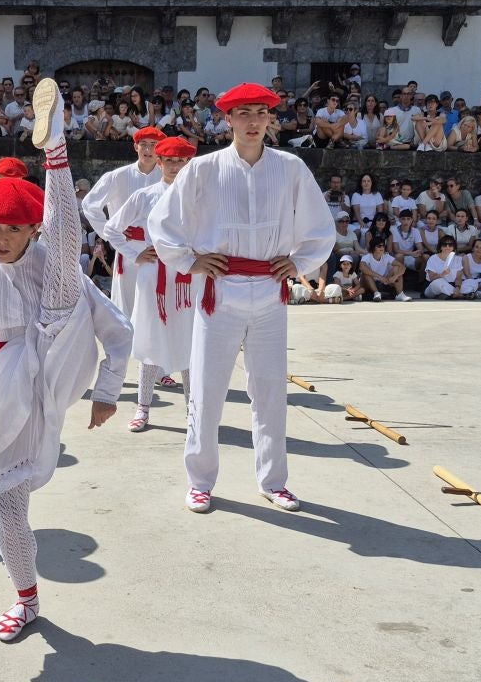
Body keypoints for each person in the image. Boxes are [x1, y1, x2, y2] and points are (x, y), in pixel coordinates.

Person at [0, 78, 132, 641]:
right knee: (9, 502)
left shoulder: (57, 261)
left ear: (32, 225)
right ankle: (26, 598)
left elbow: (119, 329)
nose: (2, 237)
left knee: (63, 272)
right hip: (9, 379)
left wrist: (107, 390)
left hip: (61, 349)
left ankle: (55, 149)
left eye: (14, 227)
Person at [147, 82, 334, 515]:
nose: (253, 121)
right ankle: (200, 480)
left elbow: (319, 226)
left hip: (270, 292)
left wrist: (300, 260)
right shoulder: (203, 169)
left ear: (270, 119)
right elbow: (163, 221)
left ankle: (274, 480)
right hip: (220, 293)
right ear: (228, 120)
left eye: (260, 113)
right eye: (244, 114)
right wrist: (190, 261)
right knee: (208, 391)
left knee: (269, 391)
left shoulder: (290, 168)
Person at [106, 135, 198, 433]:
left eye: (179, 161)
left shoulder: (199, 196)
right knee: (149, 340)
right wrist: (136, 252)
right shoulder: (145, 196)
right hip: (153, 273)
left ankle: (193, 411)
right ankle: (143, 408)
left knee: (189, 342)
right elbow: (112, 228)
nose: (174, 166)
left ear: (189, 163)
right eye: (168, 160)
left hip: (187, 277)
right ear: (159, 163)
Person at [81, 126, 164, 336]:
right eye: (143, 144)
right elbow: (90, 204)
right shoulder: (118, 176)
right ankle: (127, 341)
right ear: (135, 147)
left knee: (157, 300)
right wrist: (109, 231)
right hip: (127, 245)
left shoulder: (167, 177)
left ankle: (154, 345)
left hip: (157, 248)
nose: (148, 150)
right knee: (127, 301)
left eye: (153, 145)